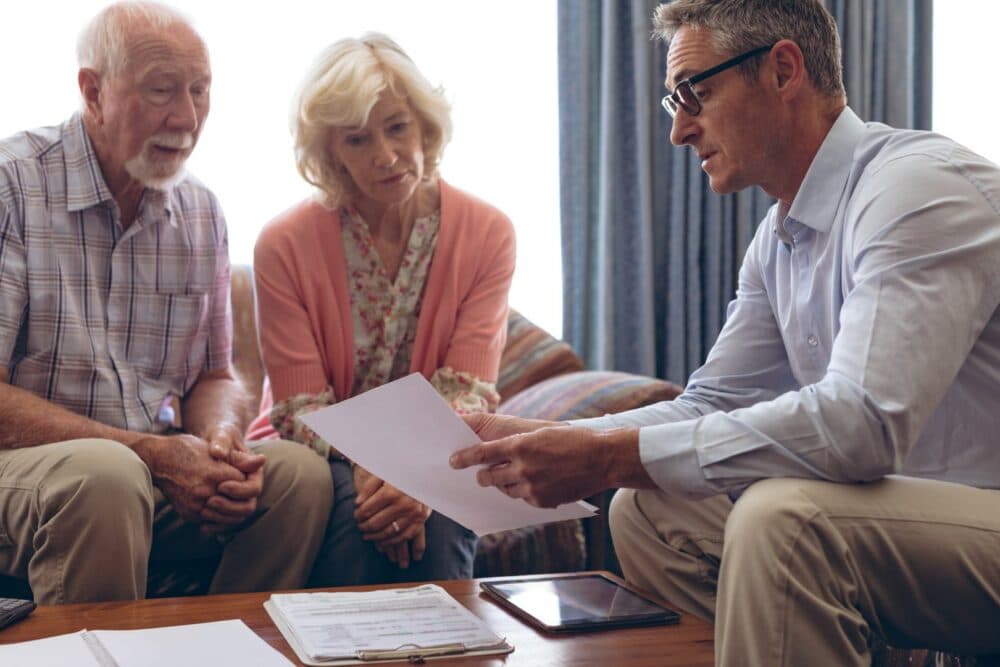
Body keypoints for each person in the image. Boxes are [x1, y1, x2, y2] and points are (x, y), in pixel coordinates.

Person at [450, 0, 1000, 664]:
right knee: (649, 510)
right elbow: (710, 402)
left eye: (695, 94)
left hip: (983, 513)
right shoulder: (778, 237)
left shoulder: (914, 190)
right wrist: (558, 439)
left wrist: (609, 456)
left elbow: (859, 426)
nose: (679, 130)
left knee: (785, 520)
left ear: (783, 70)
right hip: (914, 520)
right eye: (674, 102)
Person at [0, 1, 332, 605]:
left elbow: (213, 377)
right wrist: (150, 454)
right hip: (28, 470)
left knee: (298, 477)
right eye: (161, 90)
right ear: (93, 92)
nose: (187, 117)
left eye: (200, 90)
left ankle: (224, 645)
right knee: (107, 476)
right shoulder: (11, 185)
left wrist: (220, 440)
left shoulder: (201, 211)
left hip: (143, 470)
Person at [247, 32, 515, 586]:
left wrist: (415, 473)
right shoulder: (283, 243)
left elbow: (467, 389)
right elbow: (301, 406)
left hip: (438, 449)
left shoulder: (488, 233)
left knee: (443, 513)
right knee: (356, 513)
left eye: (397, 127)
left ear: (425, 125)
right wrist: (378, 468)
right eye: (357, 139)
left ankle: (450, 635)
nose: (386, 156)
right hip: (319, 451)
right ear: (330, 152)